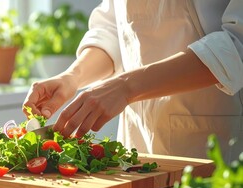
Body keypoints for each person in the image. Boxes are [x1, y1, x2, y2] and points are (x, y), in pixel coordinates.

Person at [23, 0, 243, 163]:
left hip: (217, 145)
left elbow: (236, 43)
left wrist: (127, 87)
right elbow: (115, 29)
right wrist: (73, 77)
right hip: (137, 140)